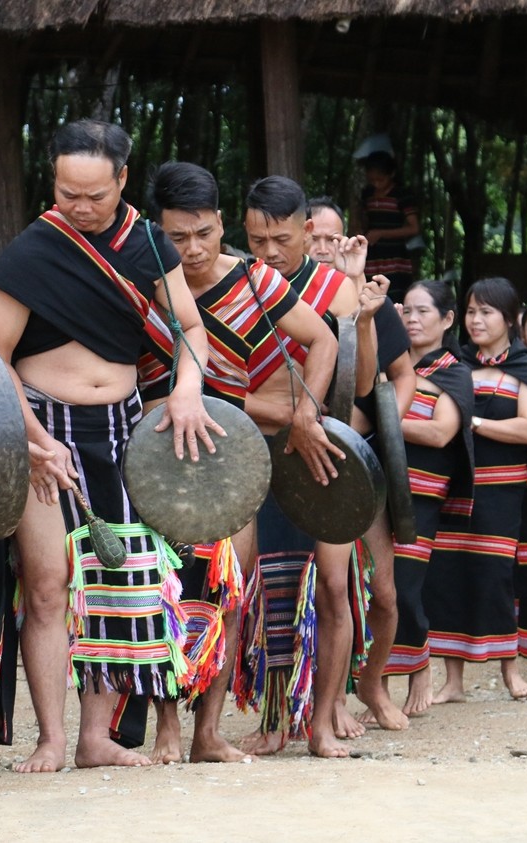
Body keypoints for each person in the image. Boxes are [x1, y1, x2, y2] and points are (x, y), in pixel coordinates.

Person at [0, 119, 221, 772]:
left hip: (120, 424)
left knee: (111, 579)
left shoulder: (147, 243)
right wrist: (32, 439)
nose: (80, 207)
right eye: (67, 192)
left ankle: (95, 736)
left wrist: (186, 388)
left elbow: (189, 330)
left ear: (122, 181)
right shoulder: (31, 251)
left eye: (95, 196)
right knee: (51, 583)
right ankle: (51, 736)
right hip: (39, 427)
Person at [144, 161, 340, 763]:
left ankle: (208, 732)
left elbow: (326, 339)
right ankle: (167, 729)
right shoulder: (141, 280)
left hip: (231, 460)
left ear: (222, 223)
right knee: (163, 591)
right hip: (154, 452)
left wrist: (305, 414)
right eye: (178, 237)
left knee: (227, 592)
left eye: (204, 232)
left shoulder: (255, 281)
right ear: (158, 231)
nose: (194, 248)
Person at [238, 175, 390, 753]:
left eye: (280, 239)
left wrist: (368, 320)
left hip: (326, 451)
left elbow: (362, 378)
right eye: (256, 240)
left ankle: (322, 720)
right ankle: (276, 720)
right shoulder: (238, 284)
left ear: (307, 230)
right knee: (266, 586)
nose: (269, 252)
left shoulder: (335, 289)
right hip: (260, 447)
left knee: (331, 586)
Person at [304, 185, 419, 734]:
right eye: (316, 237)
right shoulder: (283, 296)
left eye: (333, 237)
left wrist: (387, 428)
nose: (324, 246)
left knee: (384, 590)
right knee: (326, 586)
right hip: (305, 460)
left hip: (367, 457)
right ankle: (329, 702)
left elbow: (396, 377)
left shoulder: (365, 295)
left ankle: (373, 682)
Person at [425, 278, 527, 703]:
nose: (476, 320)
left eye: (487, 312)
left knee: (496, 576)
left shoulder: (524, 367)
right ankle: (453, 682)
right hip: (456, 484)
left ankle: (511, 672)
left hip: (502, 490)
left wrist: (474, 423)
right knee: (448, 576)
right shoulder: (455, 363)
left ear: (510, 319)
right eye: (471, 312)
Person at [387, 281, 474, 715]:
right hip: (379, 490)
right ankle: (378, 688)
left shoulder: (454, 372)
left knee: (406, 587)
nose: (414, 320)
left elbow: (441, 433)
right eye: (407, 312)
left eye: (424, 312)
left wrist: (385, 421)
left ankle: (419, 665)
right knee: (375, 589)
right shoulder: (390, 365)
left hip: (421, 496)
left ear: (447, 320)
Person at [357, 151, 420, 302]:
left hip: (395, 258)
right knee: (370, 295)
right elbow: (364, 221)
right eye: (372, 180)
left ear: (391, 174)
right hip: (372, 256)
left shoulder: (401, 195)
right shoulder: (367, 194)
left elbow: (414, 228)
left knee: (395, 297)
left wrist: (381, 233)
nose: (376, 184)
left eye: (381, 179)